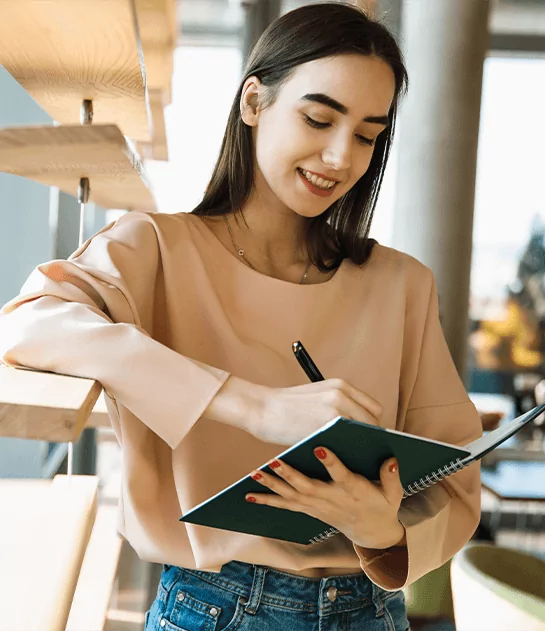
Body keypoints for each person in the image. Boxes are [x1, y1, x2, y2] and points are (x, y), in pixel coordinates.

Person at [0, 3, 482, 630]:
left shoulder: (402, 284)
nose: (340, 156)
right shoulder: (155, 248)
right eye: (318, 118)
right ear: (254, 102)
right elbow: (28, 324)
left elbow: (454, 480)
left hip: (372, 614)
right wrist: (251, 404)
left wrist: (379, 530)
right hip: (216, 609)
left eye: (367, 135)